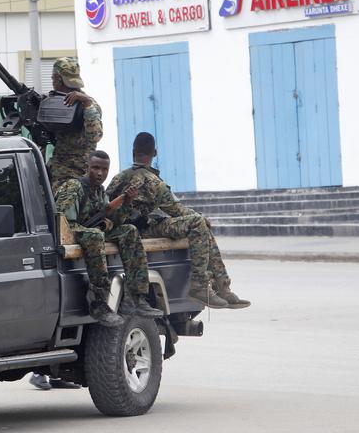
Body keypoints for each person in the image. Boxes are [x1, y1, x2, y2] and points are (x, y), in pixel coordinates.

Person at [107, 132, 250, 309]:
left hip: (122, 230)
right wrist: (201, 218)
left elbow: (106, 204)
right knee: (198, 223)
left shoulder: (117, 178)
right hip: (143, 230)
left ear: (133, 152)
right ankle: (203, 285)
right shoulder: (153, 181)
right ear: (155, 153)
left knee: (199, 223)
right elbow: (176, 210)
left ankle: (222, 286)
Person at [56, 150, 164, 326]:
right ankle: (99, 302)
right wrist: (96, 229)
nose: (100, 173)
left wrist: (126, 202)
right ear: (87, 167)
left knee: (129, 230)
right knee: (95, 235)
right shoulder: (74, 187)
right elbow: (63, 223)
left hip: (91, 233)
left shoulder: (100, 191)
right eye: (95, 168)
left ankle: (136, 297)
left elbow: (115, 220)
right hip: (73, 233)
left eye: (104, 169)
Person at [47, 57, 103, 191]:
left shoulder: (88, 104)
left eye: (53, 78)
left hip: (78, 176)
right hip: (57, 172)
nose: (53, 82)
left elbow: (96, 136)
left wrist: (87, 104)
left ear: (58, 79)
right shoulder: (56, 101)